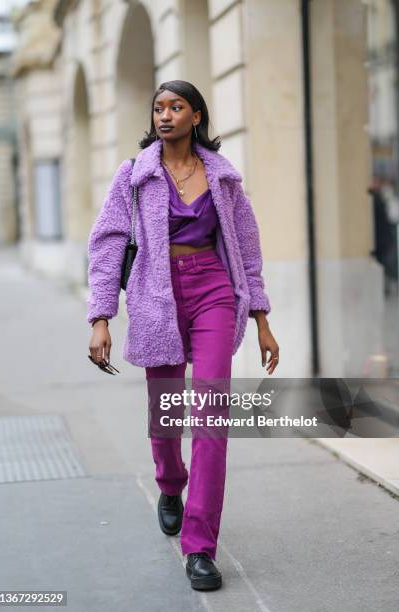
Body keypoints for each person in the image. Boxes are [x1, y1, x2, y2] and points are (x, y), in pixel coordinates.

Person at [87, 80, 279, 591]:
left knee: (211, 416)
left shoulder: (224, 179)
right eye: (158, 108)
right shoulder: (134, 175)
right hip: (156, 296)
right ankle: (170, 484)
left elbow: (247, 247)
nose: (165, 115)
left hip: (214, 290)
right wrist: (100, 316)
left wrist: (260, 316)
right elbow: (107, 245)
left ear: (196, 116)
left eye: (176, 107)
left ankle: (200, 547)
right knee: (166, 416)